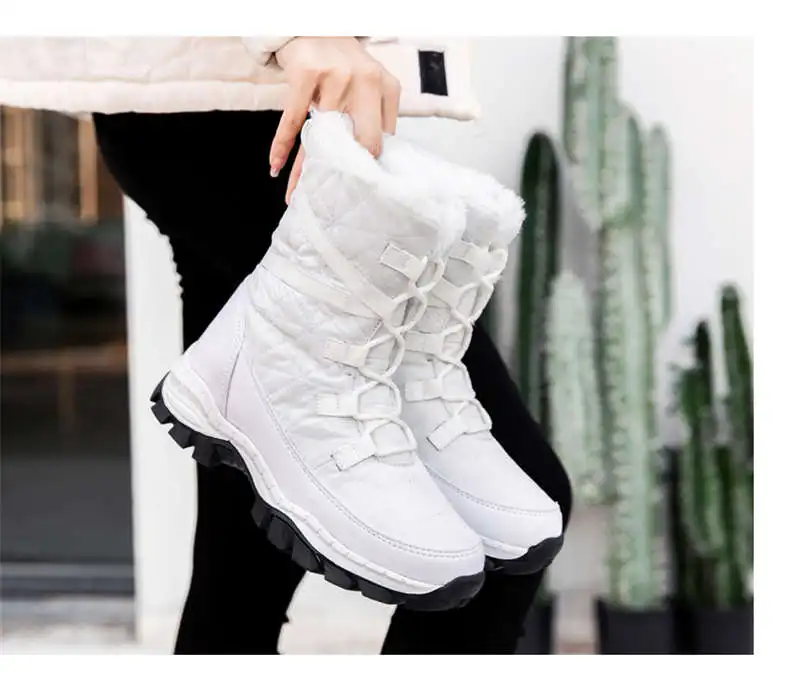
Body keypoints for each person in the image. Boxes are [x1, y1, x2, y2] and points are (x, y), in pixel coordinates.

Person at [0, 36, 572, 654]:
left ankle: (235, 392)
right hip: (238, 105)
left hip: (243, 97)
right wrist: (296, 28)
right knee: (492, 533)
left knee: (242, 572)